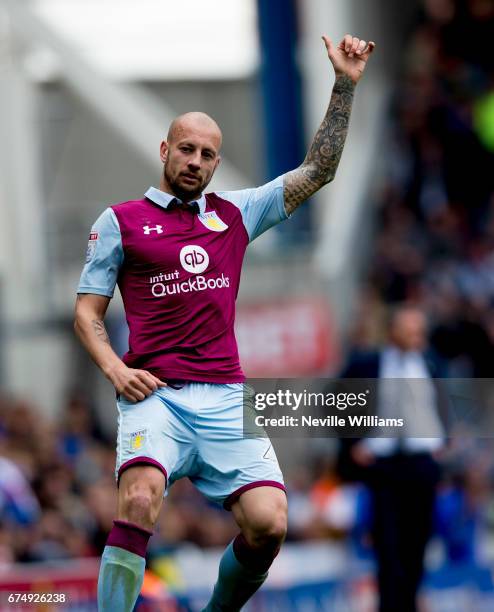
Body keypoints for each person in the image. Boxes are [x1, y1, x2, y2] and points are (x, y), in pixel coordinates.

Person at [74, 34, 375, 612]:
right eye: (186, 149)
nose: (195, 162)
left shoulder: (236, 213)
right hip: (155, 397)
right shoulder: (121, 221)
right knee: (138, 500)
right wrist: (115, 368)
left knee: (271, 524)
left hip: (226, 400)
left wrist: (343, 84)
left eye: (207, 155)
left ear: (216, 161)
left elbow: (319, 169)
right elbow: (87, 313)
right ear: (165, 149)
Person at [338, 306, 446, 612]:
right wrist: (353, 444)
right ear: (393, 331)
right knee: (387, 545)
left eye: (419, 330)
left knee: (418, 543)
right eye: (410, 329)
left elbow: (444, 403)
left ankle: (410, 603)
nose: (416, 336)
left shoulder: (431, 362)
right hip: (383, 466)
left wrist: (443, 441)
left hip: (421, 463)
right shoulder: (367, 364)